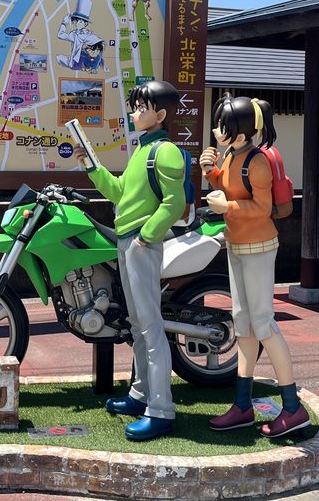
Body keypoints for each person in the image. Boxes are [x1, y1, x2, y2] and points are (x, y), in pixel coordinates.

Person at [73, 80, 185, 441]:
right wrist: (91, 166)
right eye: (135, 106)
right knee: (138, 325)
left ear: (160, 114)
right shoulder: (144, 149)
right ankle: (140, 394)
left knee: (150, 327)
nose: (134, 113)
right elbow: (120, 192)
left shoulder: (165, 151)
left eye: (141, 107)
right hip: (129, 241)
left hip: (141, 243)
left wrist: (145, 236)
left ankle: (161, 409)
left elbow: (174, 203)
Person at [199, 93, 310, 438]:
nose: (217, 131)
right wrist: (211, 172)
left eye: (223, 125)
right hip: (237, 244)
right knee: (243, 323)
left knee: (263, 323)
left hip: (259, 246)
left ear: (241, 130)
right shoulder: (233, 155)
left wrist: (227, 208)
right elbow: (230, 188)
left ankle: (292, 407)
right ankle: (242, 405)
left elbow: (260, 207)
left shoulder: (257, 161)